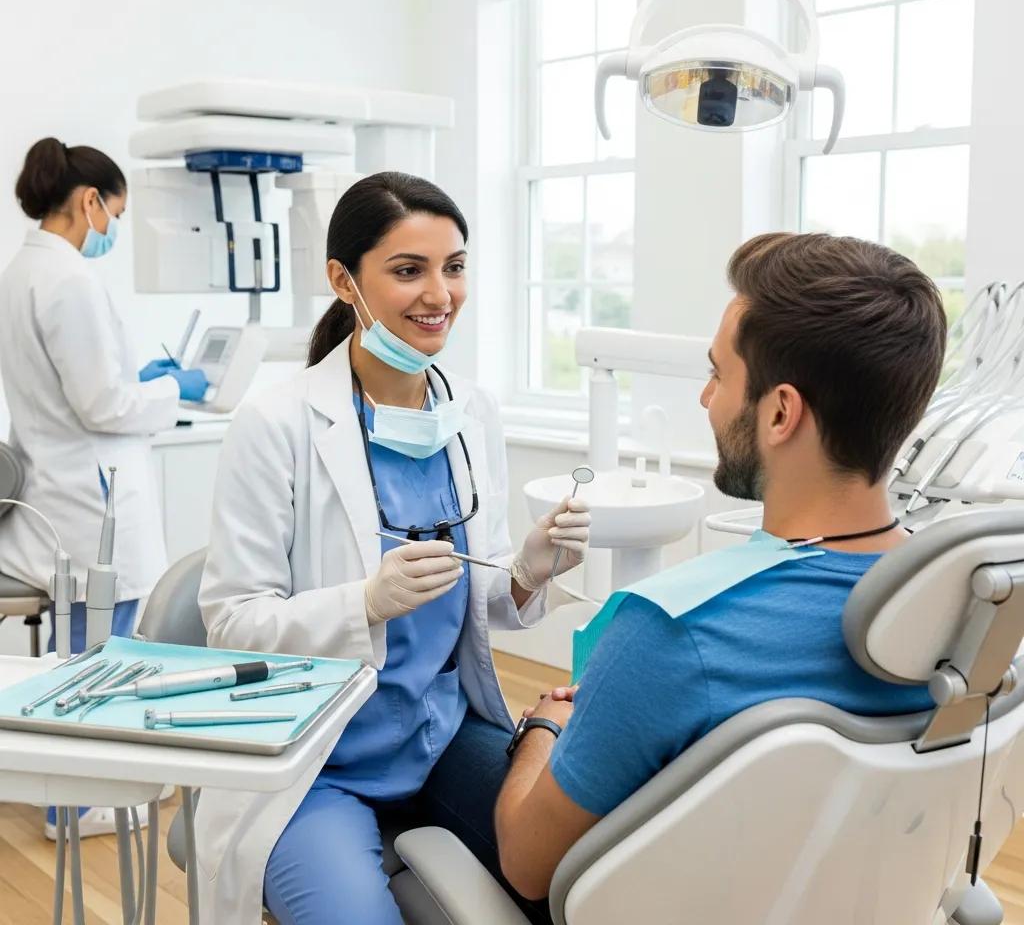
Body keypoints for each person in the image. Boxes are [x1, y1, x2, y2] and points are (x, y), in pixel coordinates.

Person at [494, 231, 947, 905]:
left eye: (718, 375)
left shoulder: (670, 631)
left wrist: (542, 729)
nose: (706, 399)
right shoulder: (966, 608)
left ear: (781, 412)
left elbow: (528, 865)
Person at [196, 171, 591, 925]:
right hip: (315, 759)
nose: (439, 294)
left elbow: (476, 599)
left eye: (454, 267)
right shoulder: (276, 423)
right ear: (343, 280)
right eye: (409, 270)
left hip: (441, 733)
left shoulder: (471, 412)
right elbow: (233, 621)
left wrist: (525, 572)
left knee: (577, 878)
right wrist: (364, 604)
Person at [0, 137, 208, 838]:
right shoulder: (69, 280)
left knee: (77, 651)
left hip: (59, 486)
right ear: (90, 201)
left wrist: (137, 377)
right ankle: (76, 805)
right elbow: (103, 405)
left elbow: (78, 386)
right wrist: (171, 390)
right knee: (96, 652)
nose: (112, 229)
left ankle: (64, 791)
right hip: (88, 500)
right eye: (115, 214)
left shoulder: (23, 271)